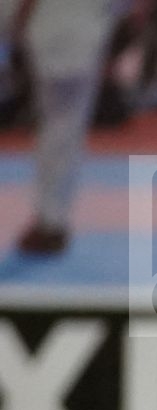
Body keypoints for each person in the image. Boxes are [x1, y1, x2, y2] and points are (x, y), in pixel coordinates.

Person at [0, 0, 126, 255]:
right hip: (75, 35)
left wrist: (13, 26)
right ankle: (51, 218)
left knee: (60, 129)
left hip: (61, 35)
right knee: (62, 129)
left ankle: (51, 219)